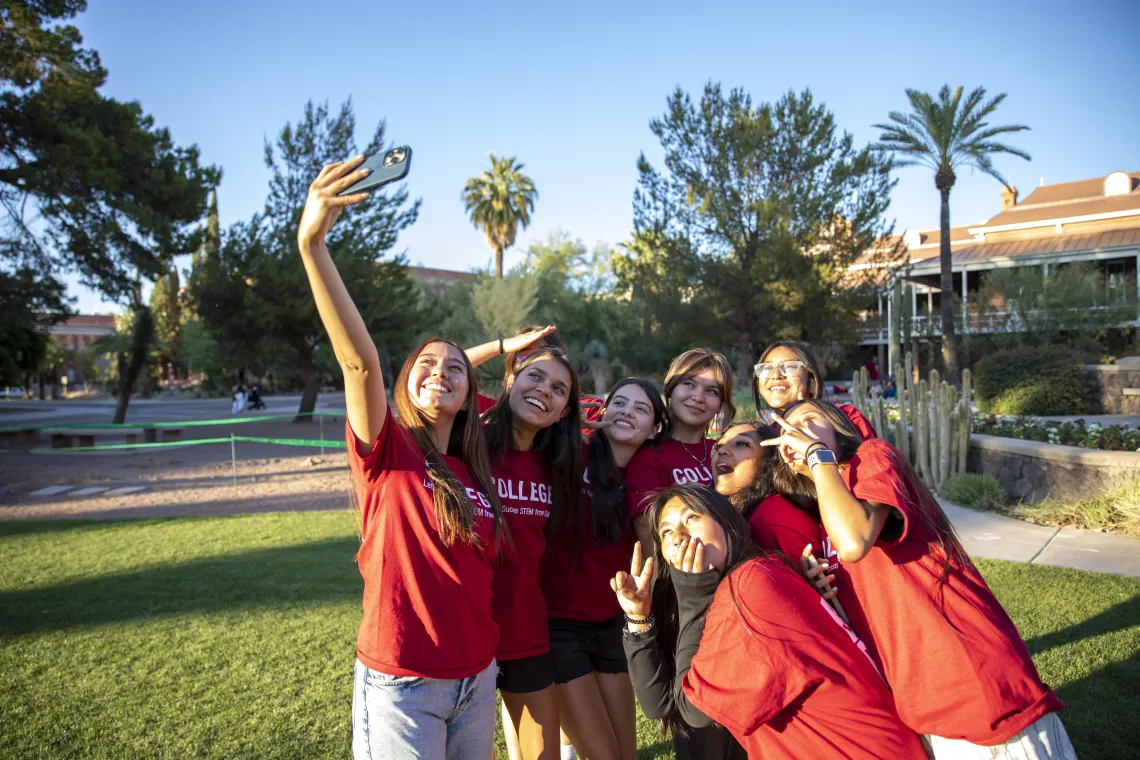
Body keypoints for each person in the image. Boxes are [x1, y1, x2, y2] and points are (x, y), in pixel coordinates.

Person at [297, 156, 504, 759]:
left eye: (456, 368)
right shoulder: (385, 448)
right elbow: (359, 362)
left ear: (471, 394)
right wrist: (314, 246)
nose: (441, 372)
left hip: (477, 677)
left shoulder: (474, 467)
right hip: (403, 681)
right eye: (427, 364)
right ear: (405, 382)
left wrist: (504, 348)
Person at [765, 399, 1077, 759]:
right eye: (783, 431)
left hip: (969, 674)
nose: (793, 433)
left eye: (808, 420)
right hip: (919, 693)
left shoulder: (872, 457)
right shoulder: (826, 509)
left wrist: (819, 456)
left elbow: (854, 542)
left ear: (840, 430)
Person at [611, 485, 926, 760]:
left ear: (726, 522)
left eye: (691, 518)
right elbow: (658, 706)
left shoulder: (749, 588)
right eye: (666, 531)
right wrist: (639, 620)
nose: (679, 537)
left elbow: (693, 711)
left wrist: (694, 597)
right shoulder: (740, 581)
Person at [540, 378, 666, 760]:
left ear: (655, 429)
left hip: (615, 625)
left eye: (640, 409)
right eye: (620, 403)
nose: (627, 411)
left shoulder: (651, 475)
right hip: (560, 625)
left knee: (624, 755)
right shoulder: (570, 453)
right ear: (603, 412)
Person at [482, 346, 583, 760]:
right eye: (535, 376)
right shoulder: (470, 438)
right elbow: (434, 381)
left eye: (559, 389)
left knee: (542, 754)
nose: (545, 390)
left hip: (526, 625)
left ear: (562, 411)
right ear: (510, 381)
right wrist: (503, 348)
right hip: (466, 627)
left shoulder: (557, 462)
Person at [626, 348, 735, 550]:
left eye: (711, 391)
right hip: (683, 576)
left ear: (720, 404)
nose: (698, 397)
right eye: (689, 384)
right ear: (670, 389)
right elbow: (652, 543)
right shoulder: (647, 457)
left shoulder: (725, 452)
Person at [467, 326, 605, 425]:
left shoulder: (588, 410)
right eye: (524, 355)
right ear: (511, 376)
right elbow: (447, 368)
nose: (534, 361)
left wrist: (571, 427)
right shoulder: (488, 411)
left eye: (542, 354)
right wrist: (501, 346)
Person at [752, 341, 875, 439]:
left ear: (811, 382)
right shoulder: (762, 438)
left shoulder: (845, 418)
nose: (776, 375)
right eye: (767, 368)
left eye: (790, 367)